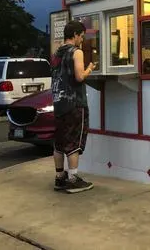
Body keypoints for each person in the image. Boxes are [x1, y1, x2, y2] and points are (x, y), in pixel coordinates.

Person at [51, 20, 95, 193]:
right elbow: (79, 76)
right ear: (75, 35)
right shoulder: (76, 52)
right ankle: (73, 179)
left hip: (58, 102)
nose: (82, 40)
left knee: (59, 142)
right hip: (74, 103)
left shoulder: (56, 53)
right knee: (74, 142)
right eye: (81, 37)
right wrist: (90, 68)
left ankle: (59, 178)